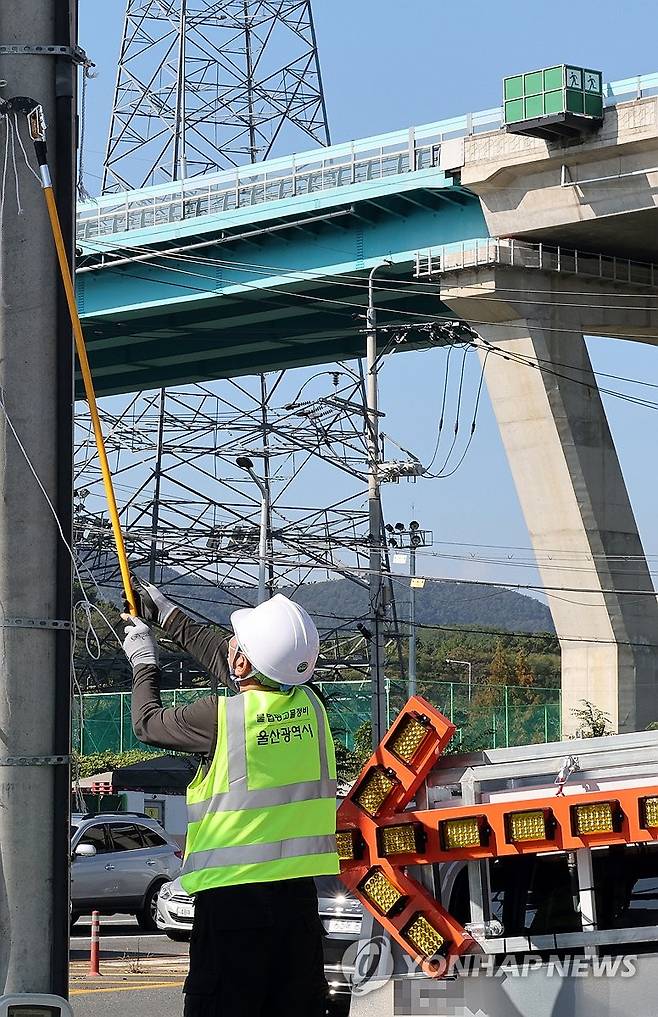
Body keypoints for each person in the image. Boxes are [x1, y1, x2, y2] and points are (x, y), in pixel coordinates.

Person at [121, 578, 339, 1017]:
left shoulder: (220, 718)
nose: (229, 648)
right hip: (297, 903)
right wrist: (169, 617)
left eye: (236, 644)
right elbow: (240, 666)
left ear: (242, 662)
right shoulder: (312, 707)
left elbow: (147, 723)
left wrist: (144, 660)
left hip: (231, 908)